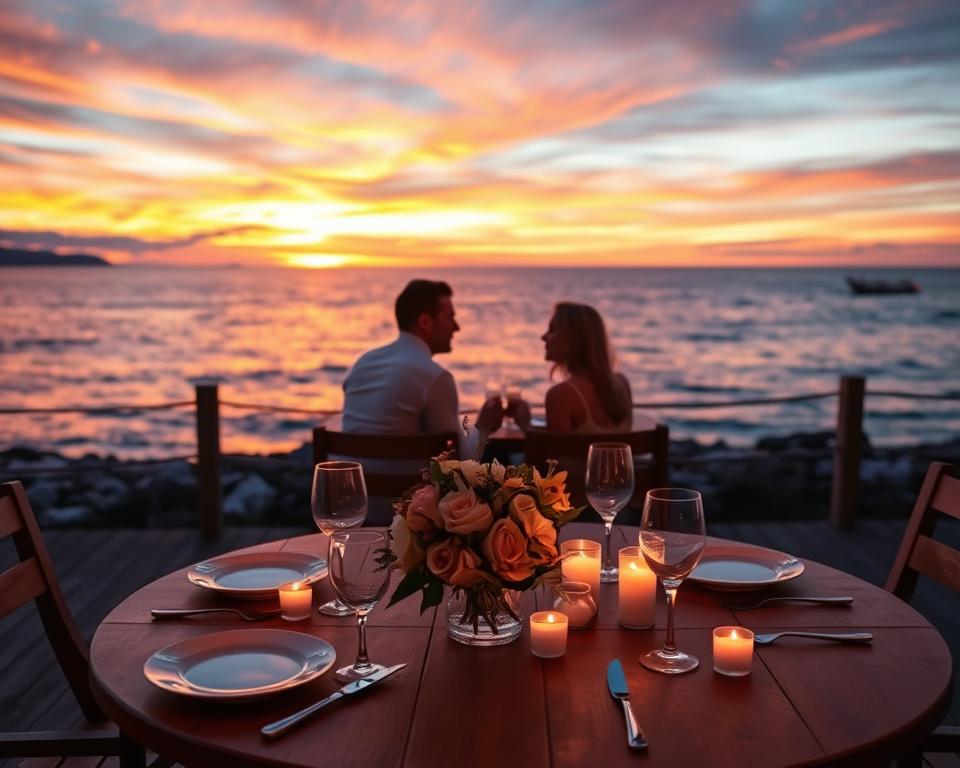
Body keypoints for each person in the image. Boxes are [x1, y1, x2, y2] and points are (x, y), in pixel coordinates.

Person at [342, 279, 503, 458]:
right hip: (404, 486)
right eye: (450, 317)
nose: (457, 327)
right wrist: (484, 426)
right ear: (425, 322)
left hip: (351, 482)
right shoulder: (435, 378)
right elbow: (461, 463)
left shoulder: (363, 363)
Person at [511, 302, 632, 434]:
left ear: (570, 341)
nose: (543, 337)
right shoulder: (621, 384)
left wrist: (525, 425)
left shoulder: (561, 395)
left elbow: (554, 452)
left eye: (552, 330)